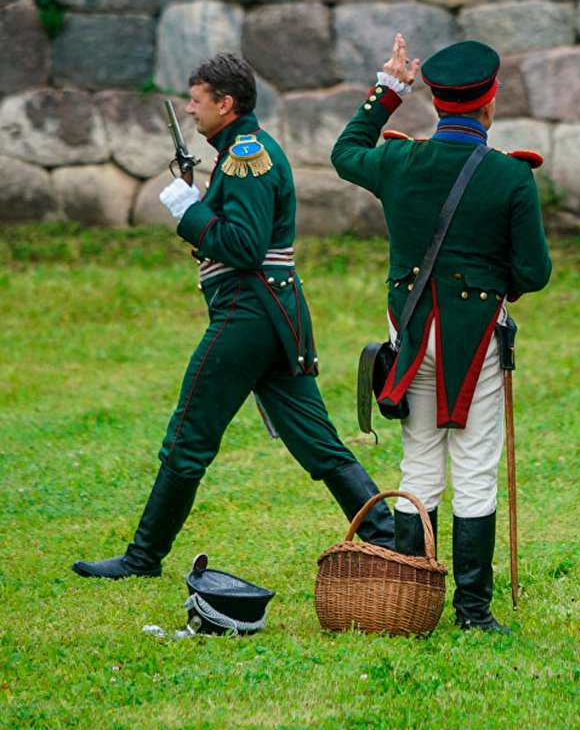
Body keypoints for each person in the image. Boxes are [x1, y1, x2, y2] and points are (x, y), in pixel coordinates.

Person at [72, 53, 395, 580]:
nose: (190, 110)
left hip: (246, 311)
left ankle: (142, 557)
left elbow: (243, 248)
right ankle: (390, 539)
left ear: (226, 104)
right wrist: (201, 201)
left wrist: (188, 211)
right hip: (269, 314)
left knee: (189, 436)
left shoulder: (245, 155)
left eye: (197, 101)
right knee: (318, 443)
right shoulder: (239, 154)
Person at [331, 34, 552, 633]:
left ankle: (413, 597)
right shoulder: (510, 177)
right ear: (491, 100)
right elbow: (534, 272)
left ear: (436, 100)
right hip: (474, 340)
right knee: (475, 467)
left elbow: (346, 152)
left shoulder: (399, 162)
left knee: (420, 462)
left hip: (408, 335)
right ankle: (473, 613)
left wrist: (389, 88)